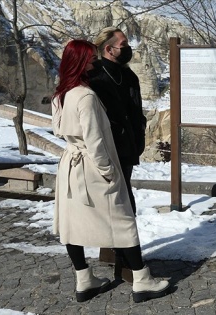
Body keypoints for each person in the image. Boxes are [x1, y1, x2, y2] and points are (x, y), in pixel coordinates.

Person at [51, 39, 170, 303]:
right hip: (92, 165)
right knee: (122, 219)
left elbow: (60, 129)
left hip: (69, 165)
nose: (94, 62)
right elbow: (95, 140)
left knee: (71, 223)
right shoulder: (86, 96)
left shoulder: (62, 93)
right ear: (82, 62)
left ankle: (85, 279)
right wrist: (108, 171)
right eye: (90, 59)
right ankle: (142, 279)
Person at [88, 27, 147, 275]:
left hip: (128, 147)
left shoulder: (127, 75)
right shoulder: (95, 76)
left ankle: (114, 253)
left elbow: (134, 109)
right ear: (108, 49)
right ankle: (128, 265)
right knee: (122, 206)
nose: (127, 47)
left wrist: (138, 133)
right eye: (123, 44)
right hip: (108, 149)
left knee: (121, 202)